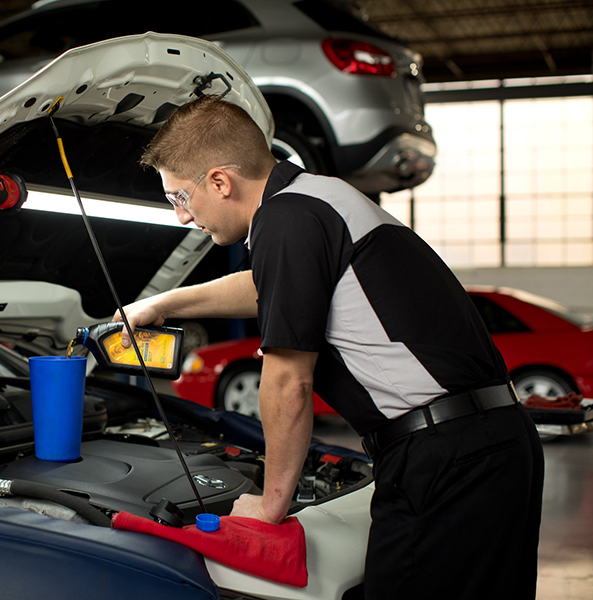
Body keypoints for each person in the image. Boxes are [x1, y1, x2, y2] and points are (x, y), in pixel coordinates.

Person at [115, 95, 544, 599]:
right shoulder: (315, 200)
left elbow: (287, 381)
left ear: (219, 182)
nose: (184, 217)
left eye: (178, 198)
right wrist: (164, 303)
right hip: (489, 447)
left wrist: (270, 505)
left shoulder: (285, 220)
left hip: (444, 460)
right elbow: (272, 285)